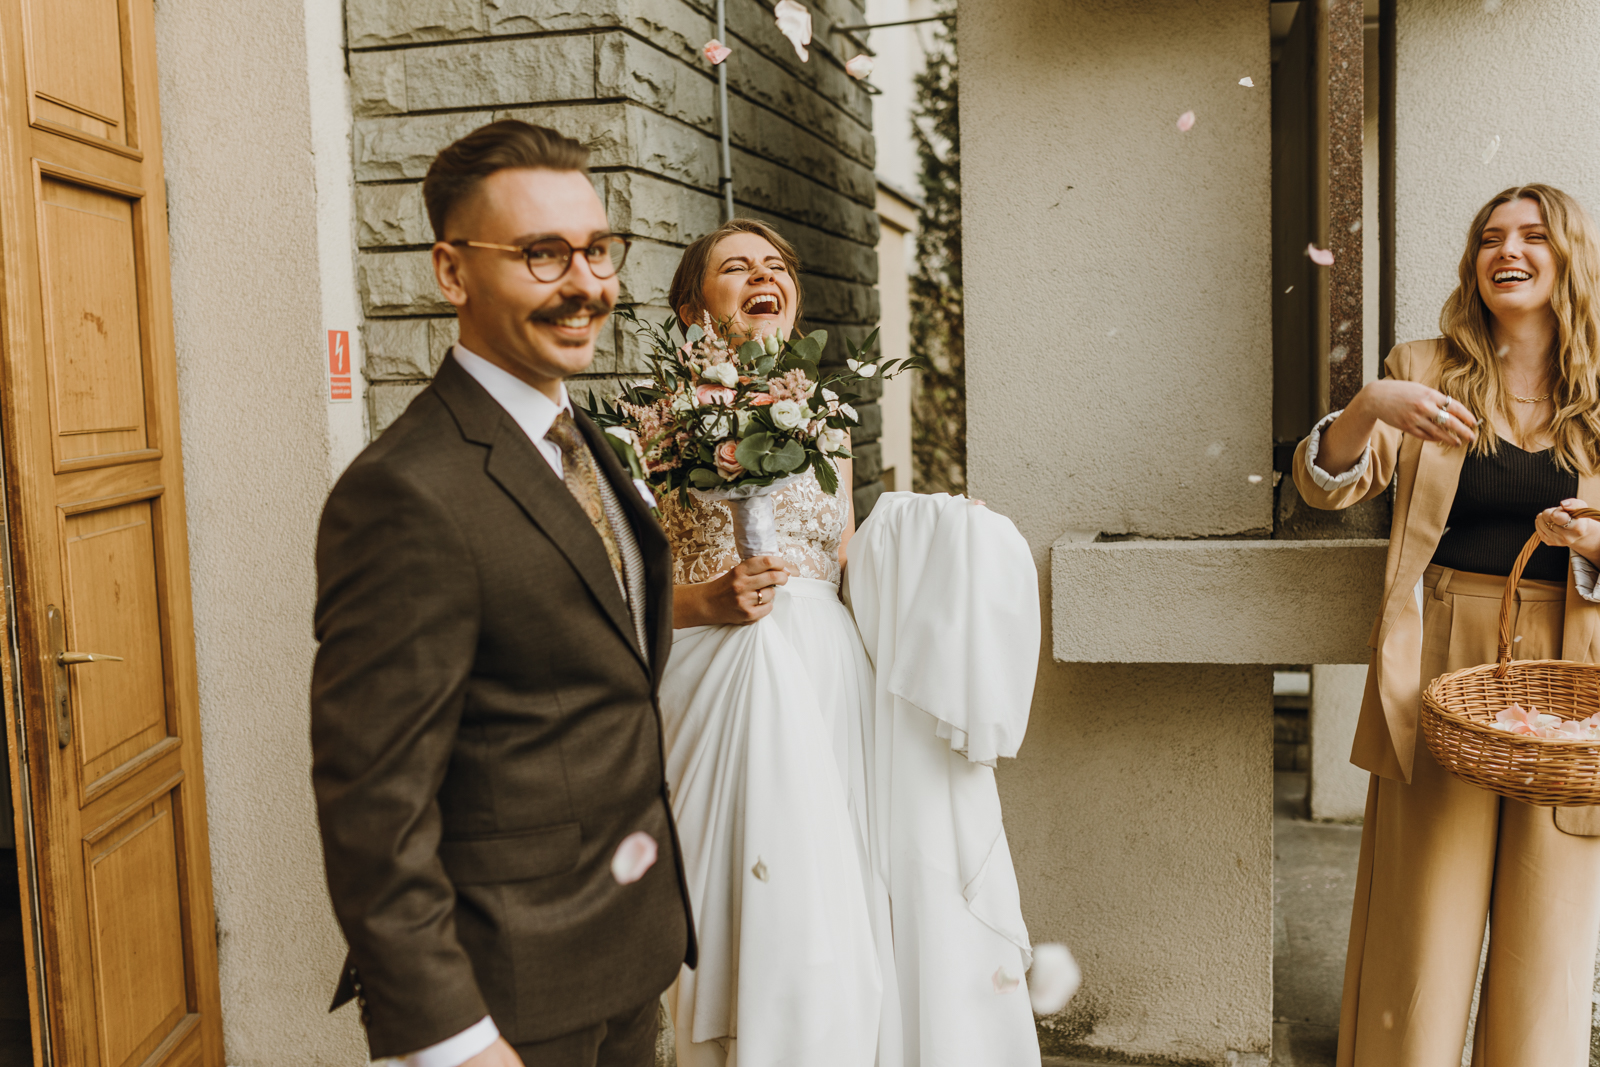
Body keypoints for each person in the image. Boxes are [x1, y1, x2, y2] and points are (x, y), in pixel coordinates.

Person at [310, 119, 694, 1067]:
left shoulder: (582, 440)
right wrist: (455, 1039)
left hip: (627, 957)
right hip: (506, 998)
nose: (586, 283)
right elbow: (375, 807)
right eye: (542, 254)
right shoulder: (406, 491)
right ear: (452, 271)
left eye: (598, 249)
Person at [655, 218, 1041, 1066]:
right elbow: (622, 584)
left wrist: (944, 538)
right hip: (719, 666)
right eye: (736, 267)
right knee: (749, 897)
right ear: (692, 309)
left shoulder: (825, 419)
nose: (764, 276)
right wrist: (705, 601)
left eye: (777, 266)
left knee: (836, 894)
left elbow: (843, 554)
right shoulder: (656, 424)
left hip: (829, 671)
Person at [1294, 183, 1600, 1066]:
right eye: (1491, 237)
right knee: (1423, 918)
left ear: (1569, 257)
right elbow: (1326, 486)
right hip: (1445, 662)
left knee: (1551, 925)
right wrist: (1369, 406)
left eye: (1533, 236)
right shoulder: (1424, 369)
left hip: (1572, 670)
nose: (1508, 251)